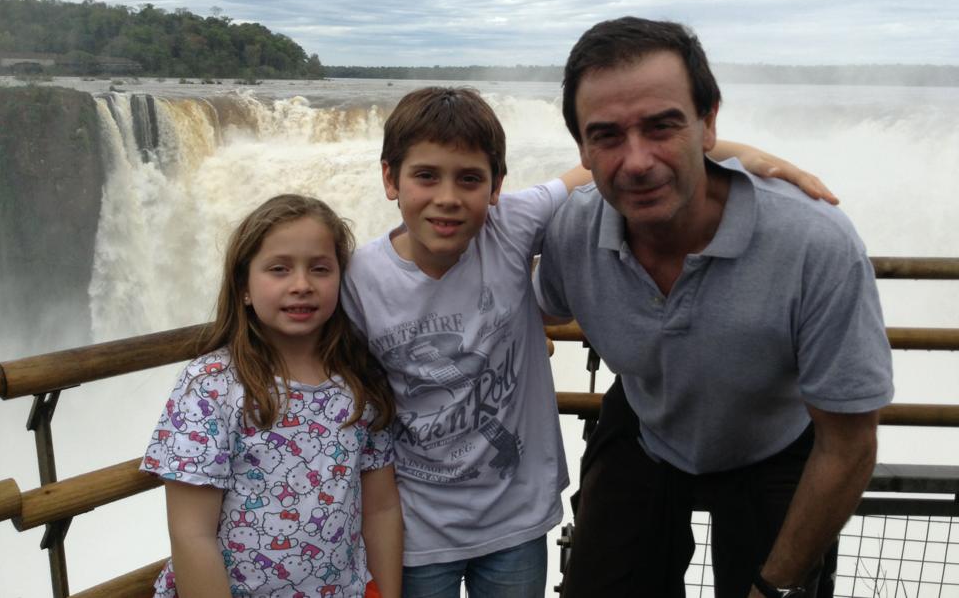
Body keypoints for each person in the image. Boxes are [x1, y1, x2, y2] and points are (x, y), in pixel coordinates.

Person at [339, 86, 840, 598]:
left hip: (516, 521)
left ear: (496, 188)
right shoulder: (356, 279)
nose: (447, 197)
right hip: (416, 527)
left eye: (469, 179)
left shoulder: (510, 226)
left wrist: (747, 156)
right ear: (389, 178)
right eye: (426, 176)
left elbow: (613, 166)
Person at [534, 17, 895, 598]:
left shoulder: (814, 244)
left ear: (709, 123)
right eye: (606, 135)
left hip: (777, 439)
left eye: (662, 126)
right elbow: (526, 304)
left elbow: (850, 442)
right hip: (647, 423)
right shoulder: (571, 232)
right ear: (582, 147)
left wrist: (775, 587)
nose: (637, 161)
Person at [140, 194, 402, 598]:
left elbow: (381, 509)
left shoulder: (360, 382)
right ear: (244, 286)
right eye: (279, 269)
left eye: (320, 269)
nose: (302, 285)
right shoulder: (211, 386)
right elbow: (192, 535)